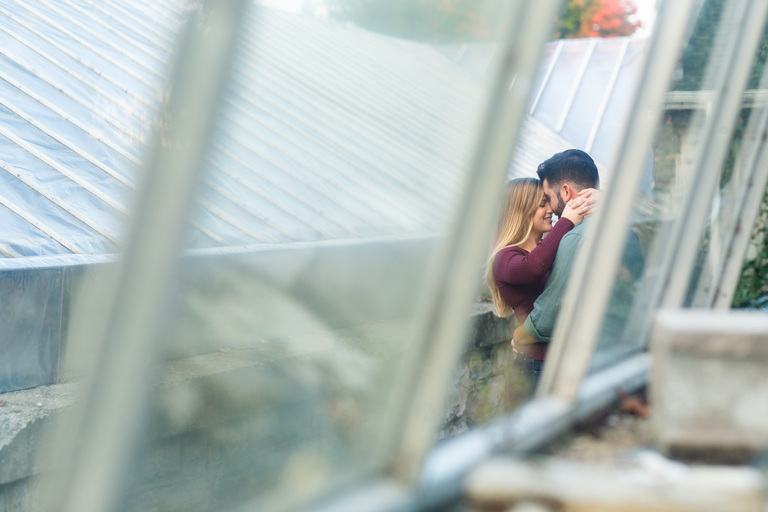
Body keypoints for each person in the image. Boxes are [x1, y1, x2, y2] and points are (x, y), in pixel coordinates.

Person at [514, 149, 644, 361]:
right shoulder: (626, 231)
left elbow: (546, 317)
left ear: (566, 192)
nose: (551, 209)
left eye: (548, 197)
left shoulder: (575, 238)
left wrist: (520, 336)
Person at [486, 176, 595, 385]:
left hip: (564, 359)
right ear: (521, 211)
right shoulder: (504, 257)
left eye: (548, 203)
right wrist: (566, 220)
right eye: (541, 205)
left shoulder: (547, 249)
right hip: (537, 365)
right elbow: (532, 268)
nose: (550, 211)